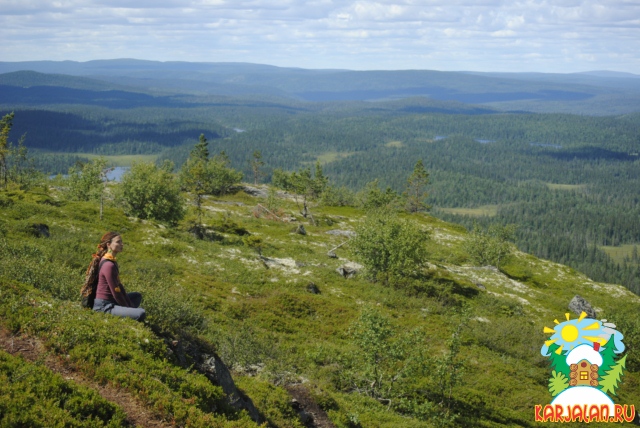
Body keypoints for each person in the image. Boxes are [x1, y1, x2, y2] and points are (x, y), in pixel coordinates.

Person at [87, 232, 146, 322]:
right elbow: (116, 292)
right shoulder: (108, 265)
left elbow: (119, 286)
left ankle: (125, 312)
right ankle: (124, 314)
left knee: (137, 296)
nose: (121, 244)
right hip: (104, 306)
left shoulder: (112, 261)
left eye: (121, 242)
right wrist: (127, 307)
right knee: (141, 313)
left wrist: (128, 305)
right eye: (118, 242)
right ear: (109, 244)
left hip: (112, 301)